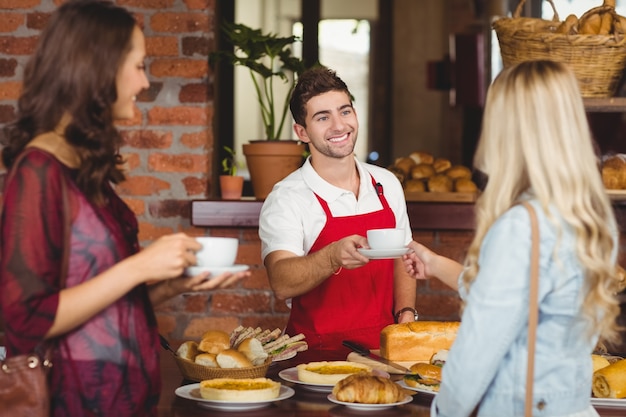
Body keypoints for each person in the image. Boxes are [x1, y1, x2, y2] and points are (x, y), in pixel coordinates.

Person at [0, 1, 249, 416]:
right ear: (97, 69)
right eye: (137, 66)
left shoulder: (80, 167)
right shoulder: (38, 170)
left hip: (126, 398)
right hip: (75, 400)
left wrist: (172, 284)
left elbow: (105, 305)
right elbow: (25, 319)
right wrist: (139, 266)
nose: (144, 82)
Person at [402, 60, 621, 417]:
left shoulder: (521, 226)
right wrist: (437, 265)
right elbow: (526, 300)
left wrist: (444, 410)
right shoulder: (589, 218)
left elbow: (480, 347)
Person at [258, 67, 417, 351]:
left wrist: (406, 313)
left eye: (345, 111)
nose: (339, 126)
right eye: (323, 117)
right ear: (302, 132)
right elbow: (281, 280)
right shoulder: (288, 197)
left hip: (384, 354)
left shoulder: (386, 183)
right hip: (315, 359)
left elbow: (403, 255)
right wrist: (332, 256)